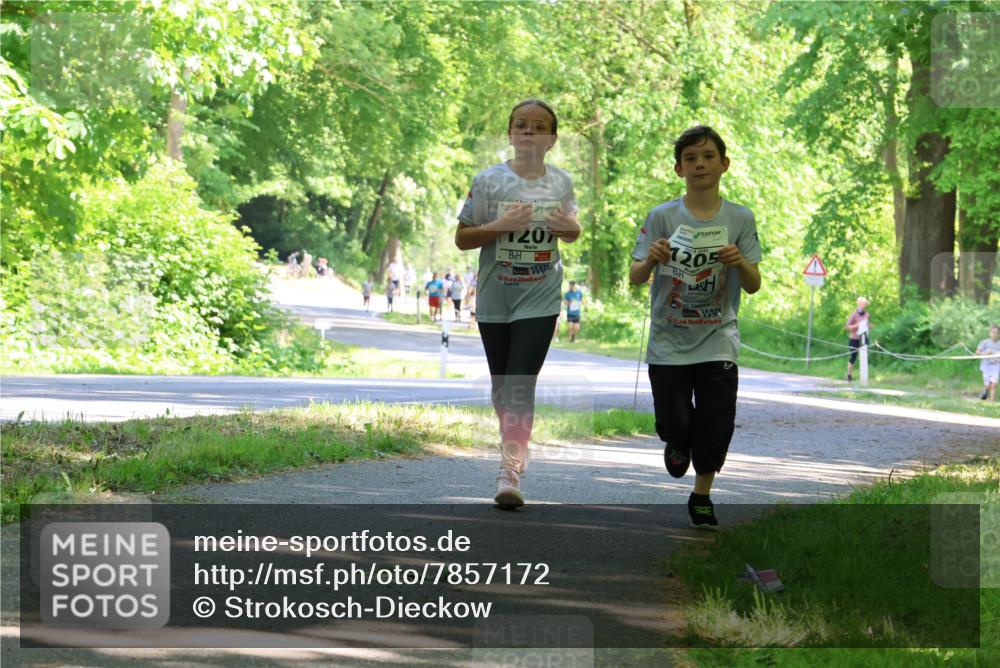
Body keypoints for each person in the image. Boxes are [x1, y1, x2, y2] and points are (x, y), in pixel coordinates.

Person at [629, 125, 762, 530]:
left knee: (717, 424)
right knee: (675, 422)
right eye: (690, 158)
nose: (699, 164)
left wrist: (739, 261)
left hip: (719, 338)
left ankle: (701, 496)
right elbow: (635, 276)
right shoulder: (663, 216)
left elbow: (754, 284)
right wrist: (651, 259)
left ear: (724, 164)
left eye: (707, 157)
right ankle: (677, 441)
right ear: (679, 169)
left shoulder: (740, 218)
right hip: (669, 341)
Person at [455, 98, 581, 509]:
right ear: (510, 134)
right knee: (501, 387)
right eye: (521, 125)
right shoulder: (489, 181)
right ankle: (515, 440)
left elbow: (572, 229)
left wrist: (568, 227)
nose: (529, 131)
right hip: (497, 295)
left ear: (552, 139)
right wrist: (501, 226)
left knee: (520, 383)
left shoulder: (561, 183)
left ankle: (508, 471)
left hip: (540, 295)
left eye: (539, 126)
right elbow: (462, 237)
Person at [845, 297, 871, 382]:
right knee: (853, 356)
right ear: (858, 304)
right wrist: (857, 325)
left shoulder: (867, 314)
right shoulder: (853, 314)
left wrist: (869, 326)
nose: (864, 305)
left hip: (864, 338)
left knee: (865, 356)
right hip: (854, 338)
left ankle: (864, 377)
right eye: (862, 304)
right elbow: (847, 327)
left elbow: (867, 324)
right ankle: (849, 374)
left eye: (865, 304)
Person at [975, 324, 1000, 401]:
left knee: (993, 385)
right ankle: (984, 394)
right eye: (993, 332)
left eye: (996, 332)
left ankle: (992, 403)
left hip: (996, 365)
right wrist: (986, 353)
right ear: (990, 333)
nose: (994, 334)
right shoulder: (984, 342)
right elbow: (977, 352)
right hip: (986, 366)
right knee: (988, 385)